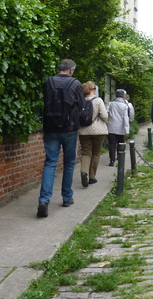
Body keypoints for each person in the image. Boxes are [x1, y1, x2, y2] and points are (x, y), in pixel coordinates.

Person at [37, 59, 85, 218]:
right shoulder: (75, 83)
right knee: (69, 163)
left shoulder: (48, 82)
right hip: (70, 129)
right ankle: (66, 197)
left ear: (59, 69)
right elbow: (81, 106)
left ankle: (44, 200)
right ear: (71, 70)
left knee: (50, 162)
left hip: (50, 128)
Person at [78, 81, 108, 187]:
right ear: (92, 90)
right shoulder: (98, 100)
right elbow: (104, 116)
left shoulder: (80, 101)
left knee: (86, 153)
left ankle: (83, 172)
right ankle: (92, 177)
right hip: (98, 131)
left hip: (83, 131)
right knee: (96, 153)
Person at [106, 89, 130, 166]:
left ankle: (111, 160)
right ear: (123, 96)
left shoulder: (111, 103)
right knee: (120, 142)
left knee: (112, 144)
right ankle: (120, 156)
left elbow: (107, 113)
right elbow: (125, 118)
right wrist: (127, 130)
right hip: (121, 127)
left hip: (111, 127)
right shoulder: (124, 105)